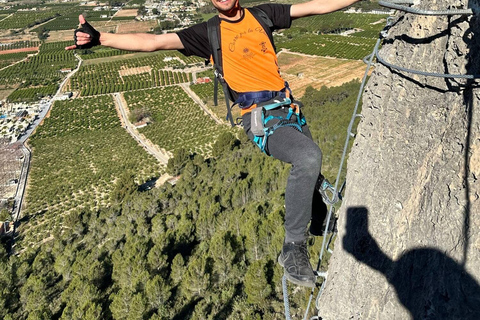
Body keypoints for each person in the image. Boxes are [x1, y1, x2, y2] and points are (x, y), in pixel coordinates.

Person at [66, 0, 359, 287]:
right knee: (307, 158)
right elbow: (153, 41)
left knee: (312, 166)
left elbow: (315, 6)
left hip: (289, 109)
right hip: (261, 118)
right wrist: (102, 38)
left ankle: (319, 219)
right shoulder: (208, 34)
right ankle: (292, 247)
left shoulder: (264, 15)